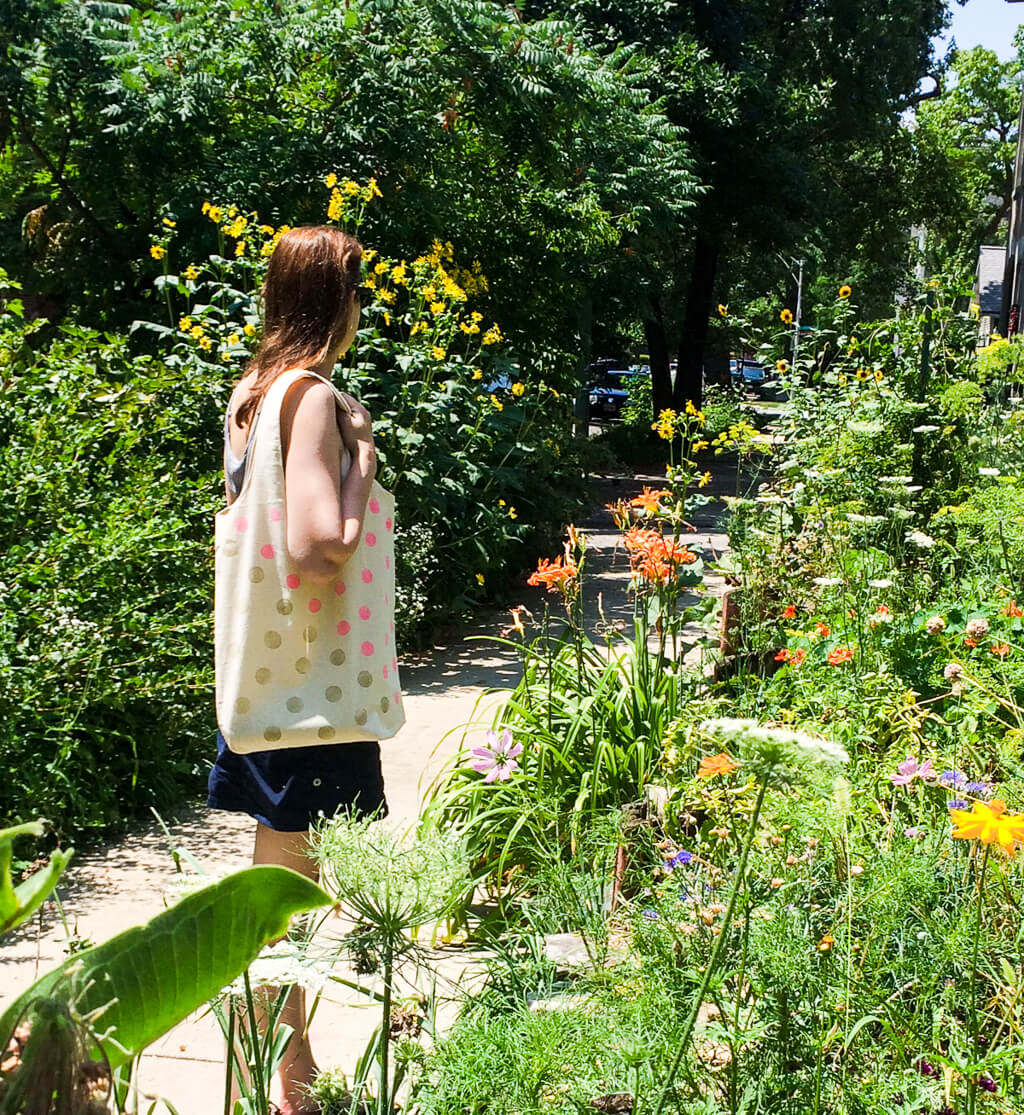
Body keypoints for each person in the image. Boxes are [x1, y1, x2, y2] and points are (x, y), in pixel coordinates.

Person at [209, 225, 387, 1115]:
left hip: (269, 681)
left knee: (282, 883)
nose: (363, 310)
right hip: (313, 692)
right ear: (337, 301)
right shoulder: (311, 398)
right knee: (291, 898)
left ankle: (287, 1070)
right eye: (357, 293)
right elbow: (318, 549)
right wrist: (362, 461)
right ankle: (287, 1082)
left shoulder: (250, 394)